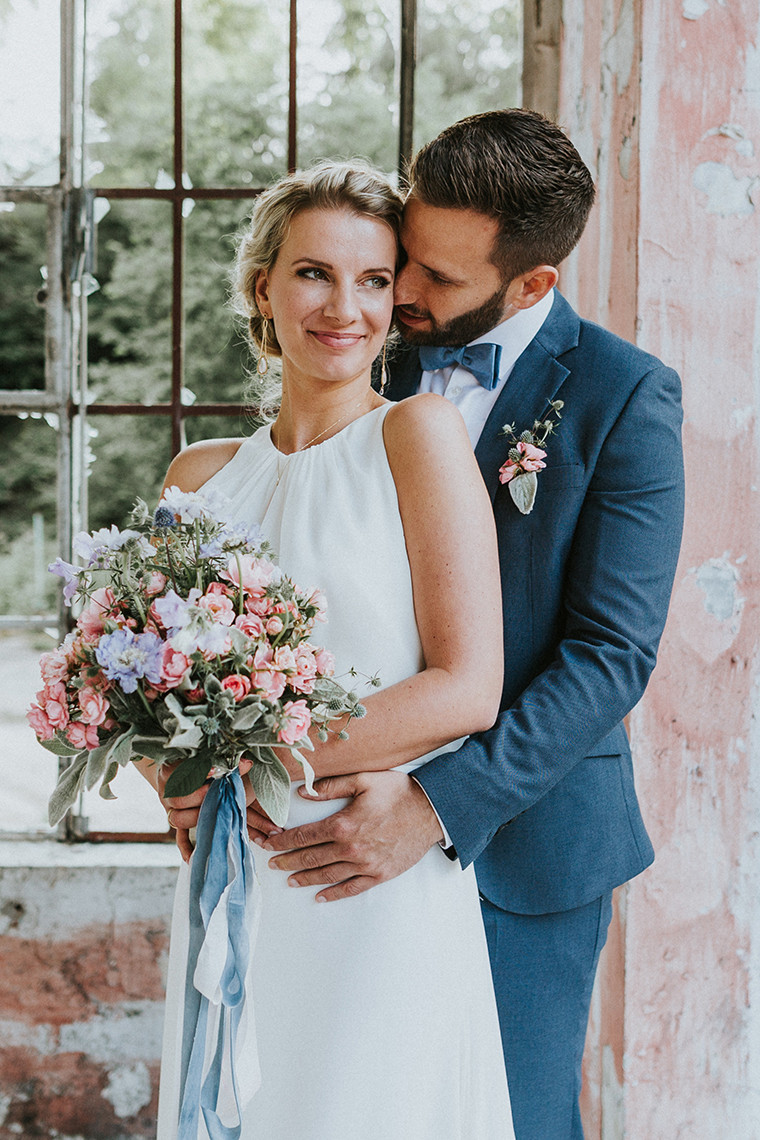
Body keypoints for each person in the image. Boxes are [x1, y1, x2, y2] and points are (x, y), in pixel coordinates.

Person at [250, 110, 686, 1139]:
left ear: (530, 284)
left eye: (435, 280)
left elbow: (609, 655)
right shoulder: (361, 349)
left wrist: (439, 803)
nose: (398, 295)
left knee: (511, 1119)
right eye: (408, 255)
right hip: (329, 839)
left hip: (523, 845)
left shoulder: (623, 399)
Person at [149, 160, 515, 1139]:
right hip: (235, 884)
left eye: (372, 280)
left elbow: (466, 685)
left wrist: (242, 763)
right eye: (313, 273)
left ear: (397, 301)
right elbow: (148, 684)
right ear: (262, 285)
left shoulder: (416, 435)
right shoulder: (197, 477)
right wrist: (170, 771)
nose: (342, 306)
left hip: (370, 876)